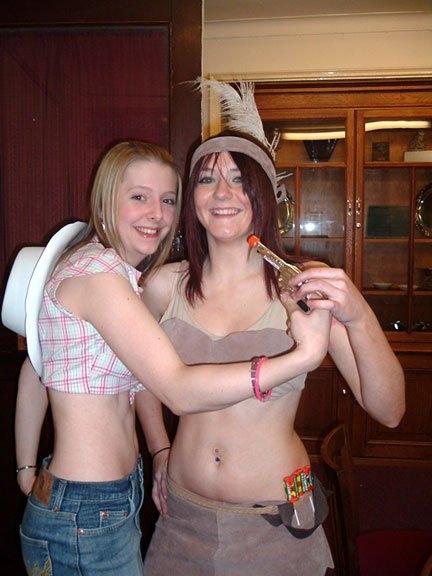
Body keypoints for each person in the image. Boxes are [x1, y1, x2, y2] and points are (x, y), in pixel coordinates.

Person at [8, 139, 333, 576]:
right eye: (138, 197)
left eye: (166, 200)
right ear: (105, 201)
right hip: (88, 507)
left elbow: (35, 366)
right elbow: (177, 390)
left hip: (99, 498)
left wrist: (27, 469)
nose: (156, 214)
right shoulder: (99, 278)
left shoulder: (114, 276)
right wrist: (302, 357)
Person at [139, 130, 406, 576]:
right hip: (182, 519)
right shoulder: (164, 286)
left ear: (264, 193)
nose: (222, 193)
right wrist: (159, 448)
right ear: (192, 199)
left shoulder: (301, 285)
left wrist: (358, 314)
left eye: (239, 179)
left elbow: (390, 410)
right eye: (207, 179)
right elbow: (140, 377)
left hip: (276, 521)